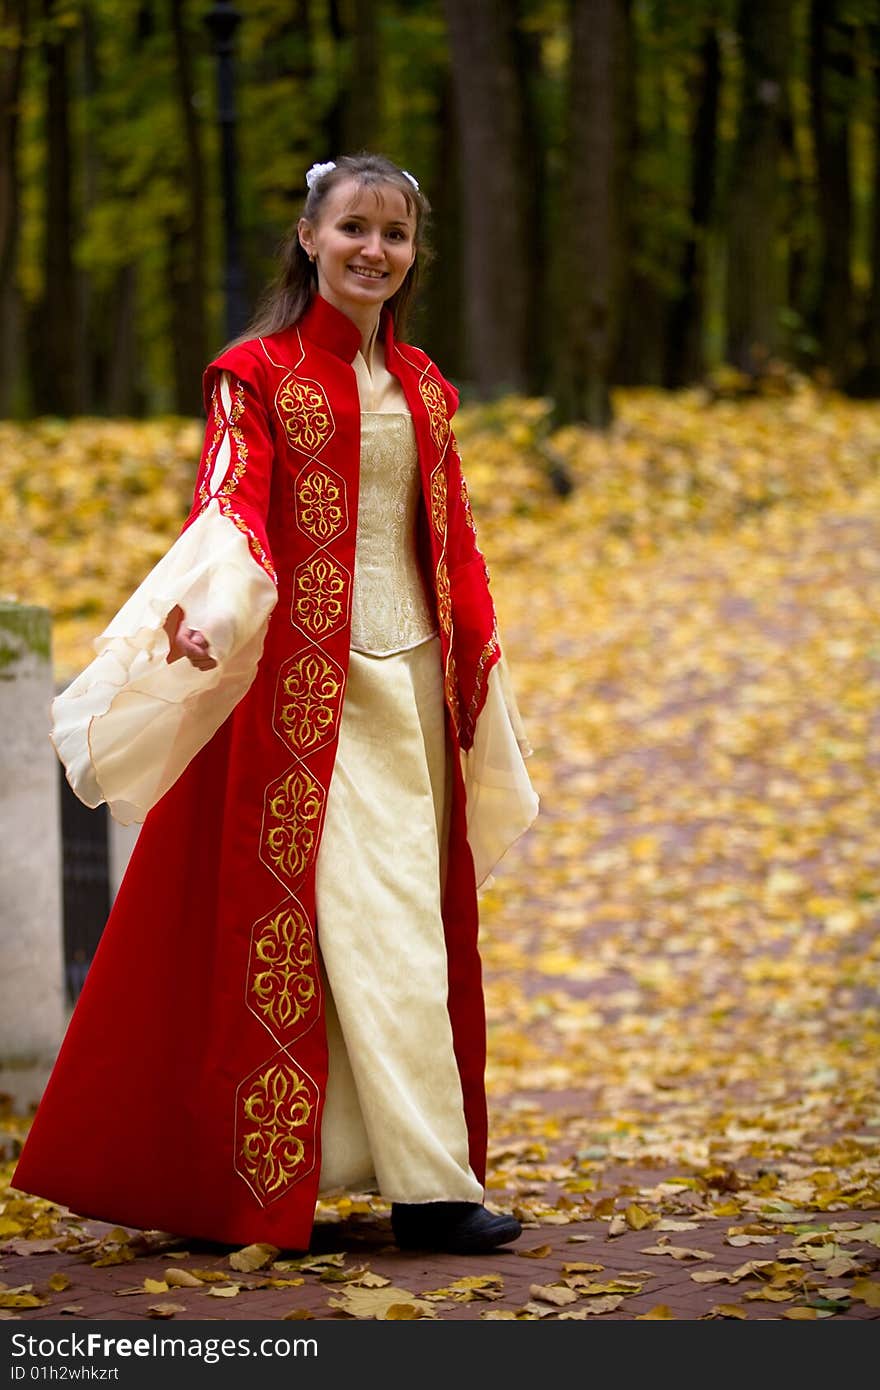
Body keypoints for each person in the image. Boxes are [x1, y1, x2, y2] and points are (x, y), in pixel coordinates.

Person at [12, 152, 539, 1257]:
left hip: (412, 688)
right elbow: (229, 497)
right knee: (374, 923)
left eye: (395, 234)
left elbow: (448, 534)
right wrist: (202, 610)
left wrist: (476, 658)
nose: (374, 251)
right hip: (307, 696)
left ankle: (388, 1164)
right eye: (354, 227)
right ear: (309, 237)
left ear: (413, 253)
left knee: (402, 932)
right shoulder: (254, 374)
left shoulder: (430, 387)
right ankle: (432, 1191)